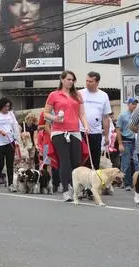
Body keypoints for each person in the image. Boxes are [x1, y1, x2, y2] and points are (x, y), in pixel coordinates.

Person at [43, 70, 89, 202]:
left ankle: (76, 186)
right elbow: (45, 113)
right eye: (68, 79)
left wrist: (85, 125)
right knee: (65, 160)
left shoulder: (77, 95)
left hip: (75, 130)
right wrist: (55, 118)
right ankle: (65, 190)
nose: (70, 82)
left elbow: (82, 114)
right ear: (62, 80)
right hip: (59, 132)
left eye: (72, 79)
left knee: (77, 161)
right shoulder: (54, 95)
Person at [0, 0, 62, 73]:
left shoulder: (56, 44)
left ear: (42, 6)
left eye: (33, 2)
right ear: (5, 9)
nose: (24, 10)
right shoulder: (2, 55)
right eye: (16, 3)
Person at [79, 71, 111, 171]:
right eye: (87, 81)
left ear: (97, 82)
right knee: (82, 158)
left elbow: (106, 117)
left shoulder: (103, 95)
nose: (88, 83)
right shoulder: (80, 93)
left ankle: (94, 182)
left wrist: (106, 136)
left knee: (95, 159)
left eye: (91, 81)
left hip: (96, 132)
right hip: (81, 130)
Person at [0, 97, 20, 191]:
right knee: (0, 164)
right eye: (5, 106)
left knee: (10, 164)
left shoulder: (11, 114)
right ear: (1, 106)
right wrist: (0, 131)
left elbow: (15, 125)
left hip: (10, 141)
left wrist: (17, 138)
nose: (7, 108)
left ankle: (10, 184)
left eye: (8, 106)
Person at [116, 97, 139, 191]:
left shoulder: (137, 115)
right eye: (132, 104)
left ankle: (137, 182)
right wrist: (120, 143)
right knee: (126, 163)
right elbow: (118, 129)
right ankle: (127, 183)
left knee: (137, 163)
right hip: (126, 141)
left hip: (136, 141)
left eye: (135, 104)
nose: (134, 105)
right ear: (128, 104)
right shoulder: (123, 115)